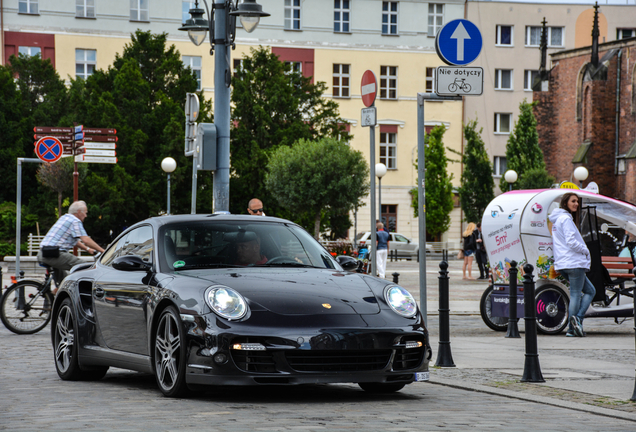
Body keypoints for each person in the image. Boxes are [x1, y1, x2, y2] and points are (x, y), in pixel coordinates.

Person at [549, 192, 595, 337]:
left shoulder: (557, 220)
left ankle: (577, 321)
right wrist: (585, 249)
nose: (576, 204)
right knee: (576, 294)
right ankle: (572, 327)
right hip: (574, 263)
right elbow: (571, 241)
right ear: (565, 203)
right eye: (573, 201)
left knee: (590, 291)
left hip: (563, 263)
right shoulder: (566, 219)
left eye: (577, 201)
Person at [37, 201, 105, 289]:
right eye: (85, 213)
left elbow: (75, 241)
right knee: (84, 268)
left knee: (64, 281)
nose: (86, 216)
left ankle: (57, 294)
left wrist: (88, 249)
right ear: (79, 212)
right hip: (54, 254)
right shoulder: (75, 221)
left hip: (44, 253)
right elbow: (86, 240)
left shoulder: (64, 218)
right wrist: (104, 251)